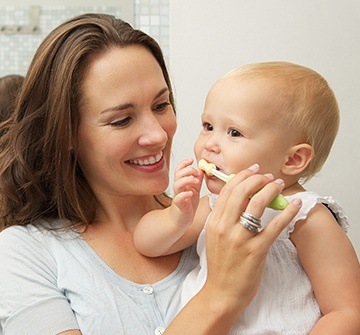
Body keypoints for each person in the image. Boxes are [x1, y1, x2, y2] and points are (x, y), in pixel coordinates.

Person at [0, 14, 303, 335]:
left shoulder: (221, 222)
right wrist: (221, 294)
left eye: (161, 105)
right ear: (67, 135)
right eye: (122, 120)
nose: (158, 135)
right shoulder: (25, 255)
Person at [134, 62, 360, 334]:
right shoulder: (216, 205)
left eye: (234, 133)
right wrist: (178, 216)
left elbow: (347, 310)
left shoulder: (306, 217)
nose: (209, 144)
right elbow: (146, 243)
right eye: (207, 126)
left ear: (293, 159)